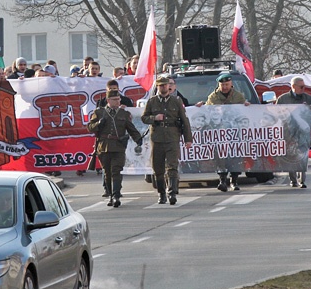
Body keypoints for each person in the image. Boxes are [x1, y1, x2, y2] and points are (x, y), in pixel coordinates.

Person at [87, 89, 143, 207]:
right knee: (107, 172)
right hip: (104, 146)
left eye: (118, 99)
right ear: (108, 100)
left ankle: (116, 195)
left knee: (116, 171)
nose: (118, 101)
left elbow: (130, 128)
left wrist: (138, 138)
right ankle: (110, 195)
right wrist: (98, 124)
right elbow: (90, 128)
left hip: (118, 146)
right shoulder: (99, 112)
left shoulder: (124, 113)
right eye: (115, 99)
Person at [141, 75, 192, 205]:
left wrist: (188, 139)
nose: (164, 88)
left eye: (166, 85)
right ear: (157, 87)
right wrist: (154, 118)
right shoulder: (152, 101)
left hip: (172, 136)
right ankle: (162, 193)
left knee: (172, 165)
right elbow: (144, 118)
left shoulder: (176, 101)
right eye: (161, 85)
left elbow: (185, 121)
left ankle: (172, 192)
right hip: (157, 137)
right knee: (158, 168)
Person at [201, 73, 250, 191]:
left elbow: (242, 112)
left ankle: (234, 180)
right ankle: (222, 179)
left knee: (234, 155)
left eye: (227, 84)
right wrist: (201, 106)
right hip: (220, 132)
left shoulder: (238, 96)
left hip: (234, 131)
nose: (224, 87)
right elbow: (208, 110)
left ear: (231, 84)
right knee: (221, 156)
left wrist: (246, 106)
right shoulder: (213, 97)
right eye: (222, 85)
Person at [276, 76, 311, 188]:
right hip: (288, 132)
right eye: (301, 87)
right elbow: (276, 114)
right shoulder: (283, 99)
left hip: (303, 132)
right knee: (291, 156)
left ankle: (302, 180)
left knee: (302, 155)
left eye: (304, 86)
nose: (303, 89)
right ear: (293, 86)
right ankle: (293, 179)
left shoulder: (308, 98)